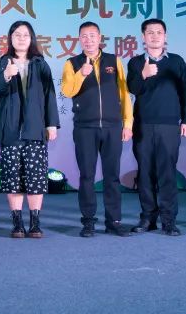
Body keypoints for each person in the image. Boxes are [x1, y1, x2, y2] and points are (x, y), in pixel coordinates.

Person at [62, 21, 133, 238]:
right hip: (85, 128)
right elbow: (67, 91)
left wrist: (127, 123)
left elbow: (124, 93)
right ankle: (88, 222)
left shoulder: (114, 60)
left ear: (100, 37)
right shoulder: (72, 63)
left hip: (112, 127)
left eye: (92, 35)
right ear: (79, 39)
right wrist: (82, 74)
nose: (89, 40)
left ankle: (114, 221)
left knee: (112, 176)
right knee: (87, 176)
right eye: (84, 36)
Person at [0, 20, 59, 239]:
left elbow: (49, 95)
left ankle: (35, 223)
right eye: (17, 35)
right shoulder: (3, 62)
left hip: (35, 129)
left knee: (35, 178)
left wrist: (51, 124)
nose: (21, 38)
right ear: (10, 38)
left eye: (25, 35)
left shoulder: (40, 63)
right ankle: (17, 223)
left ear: (32, 39)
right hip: (10, 130)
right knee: (13, 178)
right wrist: (6, 75)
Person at [127, 18, 186, 236]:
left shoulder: (176, 61)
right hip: (143, 125)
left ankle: (169, 220)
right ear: (143, 37)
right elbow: (133, 89)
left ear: (165, 36)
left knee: (167, 173)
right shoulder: (135, 62)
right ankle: (148, 218)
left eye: (159, 32)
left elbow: (185, 93)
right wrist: (143, 75)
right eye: (150, 32)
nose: (155, 36)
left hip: (169, 126)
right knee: (145, 174)